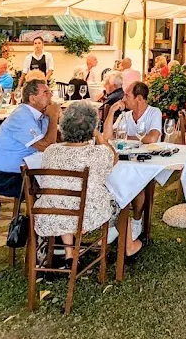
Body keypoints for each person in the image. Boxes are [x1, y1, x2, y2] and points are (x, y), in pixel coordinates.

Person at [34, 101, 143, 259]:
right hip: (84, 214)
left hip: (51, 212)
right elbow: (113, 156)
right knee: (120, 202)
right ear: (91, 127)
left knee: (65, 198)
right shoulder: (97, 154)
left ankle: (69, 253)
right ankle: (129, 246)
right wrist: (98, 135)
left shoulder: (51, 151)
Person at [0, 79, 61, 198]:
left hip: (22, 173)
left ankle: (40, 216)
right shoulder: (21, 116)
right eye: (46, 92)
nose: (51, 95)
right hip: (2, 178)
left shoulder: (42, 114)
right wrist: (54, 117)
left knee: (63, 180)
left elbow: (60, 137)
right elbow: (46, 146)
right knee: (58, 186)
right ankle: (39, 216)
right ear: (32, 99)